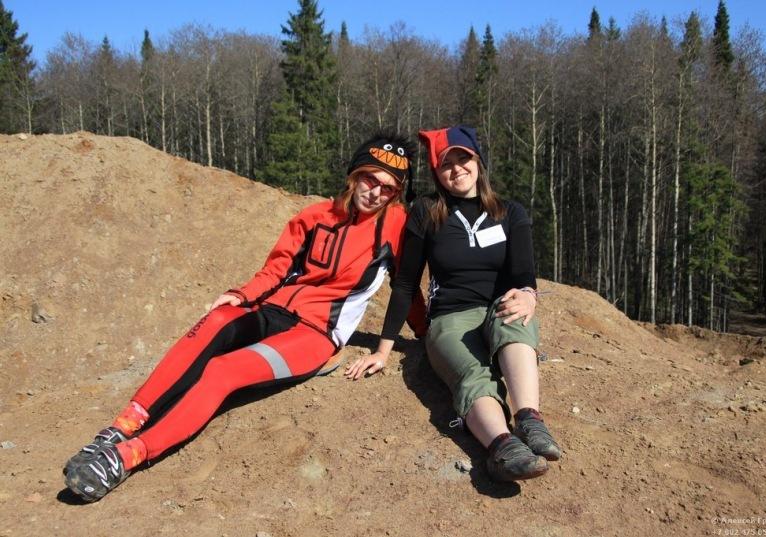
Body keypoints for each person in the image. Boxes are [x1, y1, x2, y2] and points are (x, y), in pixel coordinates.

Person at [64, 133, 419, 502]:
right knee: (218, 319)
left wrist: (421, 331)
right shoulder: (314, 216)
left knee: (222, 370)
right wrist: (242, 295)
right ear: (354, 175)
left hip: (315, 334)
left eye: (388, 188)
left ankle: (129, 455)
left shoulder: (395, 225)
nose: (376, 193)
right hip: (273, 311)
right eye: (370, 179)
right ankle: (123, 426)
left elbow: (407, 285)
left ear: (396, 194)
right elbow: (276, 268)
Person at [348, 125, 561, 482]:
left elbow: (523, 274)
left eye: (463, 159)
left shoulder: (510, 212)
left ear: (478, 161)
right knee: (473, 374)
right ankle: (503, 447)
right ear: (437, 173)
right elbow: (405, 283)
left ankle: (529, 419)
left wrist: (528, 294)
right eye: (446, 164)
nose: (457, 169)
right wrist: (383, 350)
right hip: (450, 319)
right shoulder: (427, 211)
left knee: (514, 317)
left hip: (499, 309)